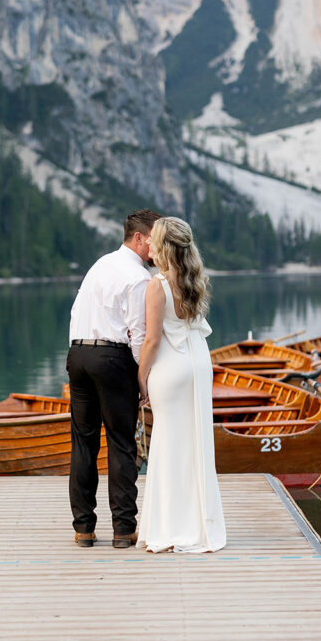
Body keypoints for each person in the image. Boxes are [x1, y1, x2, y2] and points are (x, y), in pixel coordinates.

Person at [67, 209, 162, 548]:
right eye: (154, 240)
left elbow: (76, 313)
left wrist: (78, 356)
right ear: (139, 238)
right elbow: (139, 336)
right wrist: (142, 379)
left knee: (83, 443)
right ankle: (123, 530)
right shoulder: (138, 278)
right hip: (112, 358)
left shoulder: (100, 265)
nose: (157, 248)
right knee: (121, 444)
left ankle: (84, 529)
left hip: (77, 354)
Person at [137, 216, 226, 553]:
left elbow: (151, 341)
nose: (148, 246)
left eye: (152, 241)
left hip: (171, 371)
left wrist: (141, 378)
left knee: (169, 448)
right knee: (197, 445)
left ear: (161, 246)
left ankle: (170, 527)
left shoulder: (156, 285)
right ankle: (200, 525)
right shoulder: (195, 279)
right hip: (200, 365)